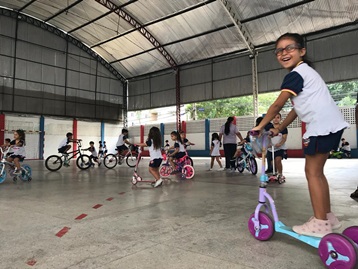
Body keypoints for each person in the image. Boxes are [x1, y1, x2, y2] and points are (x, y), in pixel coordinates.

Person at [252, 33, 349, 237]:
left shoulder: (296, 75)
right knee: (318, 173)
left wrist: (260, 125)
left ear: (302, 51)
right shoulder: (306, 73)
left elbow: (278, 104)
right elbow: (295, 109)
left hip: (320, 127)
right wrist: (278, 128)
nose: (284, 53)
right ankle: (328, 217)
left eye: (290, 48)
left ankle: (320, 224)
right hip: (331, 125)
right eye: (279, 50)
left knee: (312, 173)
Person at [267, 113, 288, 181]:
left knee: (278, 160)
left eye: (278, 117)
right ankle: (275, 173)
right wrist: (268, 143)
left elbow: (284, 138)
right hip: (271, 148)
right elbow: (267, 137)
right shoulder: (269, 127)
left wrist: (280, 143)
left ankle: (281, 174)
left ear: (280, 119)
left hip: (279, 148)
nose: (276, 119)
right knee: (272, 162)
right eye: (274, 117)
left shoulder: (283, 128)